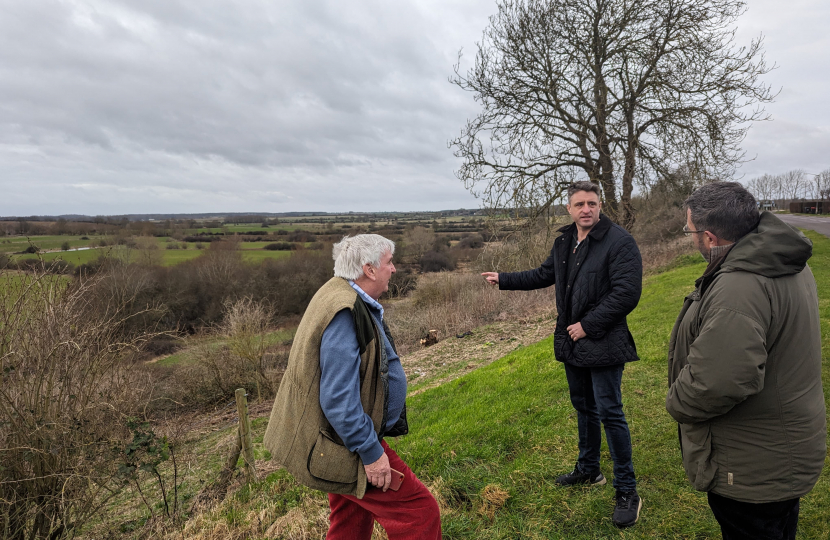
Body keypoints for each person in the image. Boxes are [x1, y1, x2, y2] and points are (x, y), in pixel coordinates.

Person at [666, 181, 826, 540]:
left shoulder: (740, 286)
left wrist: (676, 401)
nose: (689, 237)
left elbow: (719, 380)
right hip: (782, 449)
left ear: (709, 237)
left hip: (753, 464)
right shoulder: (782, 260)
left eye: (689, 230)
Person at [482, 181, 643, 528]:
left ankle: (627, 490)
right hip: (573, 341)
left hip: (602, 340)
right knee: (583, 407)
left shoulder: (619, 242)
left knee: (610, 412)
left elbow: (627, 293)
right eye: (579, 204)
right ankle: (589, 470)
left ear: (600, 206)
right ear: (568, 209)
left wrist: (588, 324)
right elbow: (544, 274)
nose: (586, 209)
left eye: (592, 203)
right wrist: (504, 279)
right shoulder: (564, 242)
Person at [263, 234, 441, 539]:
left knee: (351, 522)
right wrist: (371, 453)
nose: (394, 269)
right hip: (347, 443)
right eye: (389, 262)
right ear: (369, 269)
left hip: (336, 439)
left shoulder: (340, 292)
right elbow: (338, 400)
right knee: (419, 513)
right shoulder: (345, 312)